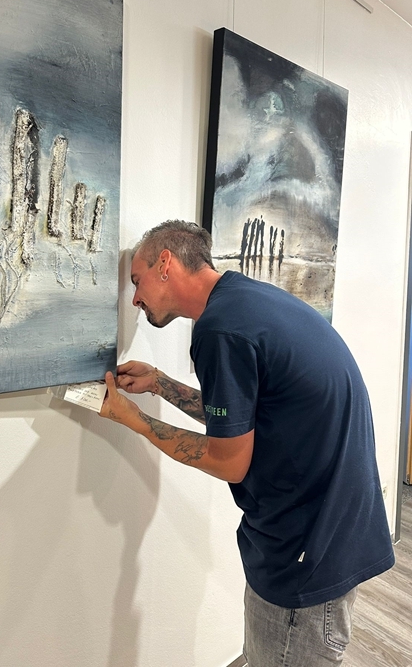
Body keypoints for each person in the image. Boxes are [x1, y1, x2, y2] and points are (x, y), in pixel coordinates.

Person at [100, 219, 395, 667]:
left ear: (165, 264)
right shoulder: (243, 300)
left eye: (137, 281)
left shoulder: (221, 330)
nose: (135, 298)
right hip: (333, 524)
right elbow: (244, 416)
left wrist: (135, 421)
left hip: (306, 546)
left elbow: (228, 460)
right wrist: (160, 383)